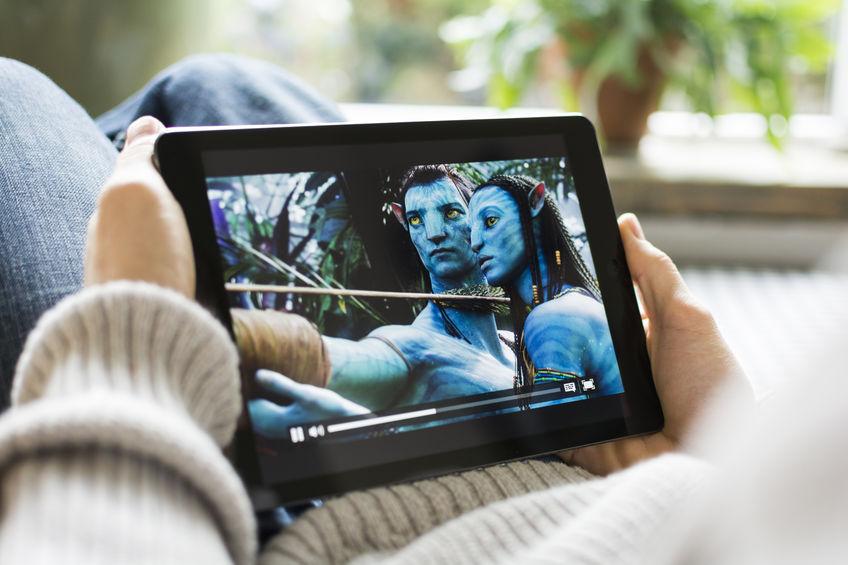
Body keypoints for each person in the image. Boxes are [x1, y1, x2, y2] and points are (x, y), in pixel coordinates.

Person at [5, 55, 848, 565]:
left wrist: (142, 316)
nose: (448, 232)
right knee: (217, 82)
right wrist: (726, 439)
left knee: (16, 95)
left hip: (357, 530)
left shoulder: (540, 330)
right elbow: (340, 357)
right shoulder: (410, 341)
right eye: (427, 220)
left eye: (464, 213)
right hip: (642, 498)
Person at [246, 164, 517, 436]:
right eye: (416, 219)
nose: (433, 232)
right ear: (402, 220)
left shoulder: (515, 343)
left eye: (451, 213)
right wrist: (252, 336)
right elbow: (338, 357)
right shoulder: (414, 346)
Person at [468, 174, 623, 395]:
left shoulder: (552, 318)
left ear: (535, 201)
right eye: (470, 231)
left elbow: (564, 418)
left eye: (491, 220)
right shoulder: (578, 301)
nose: (475, 243)